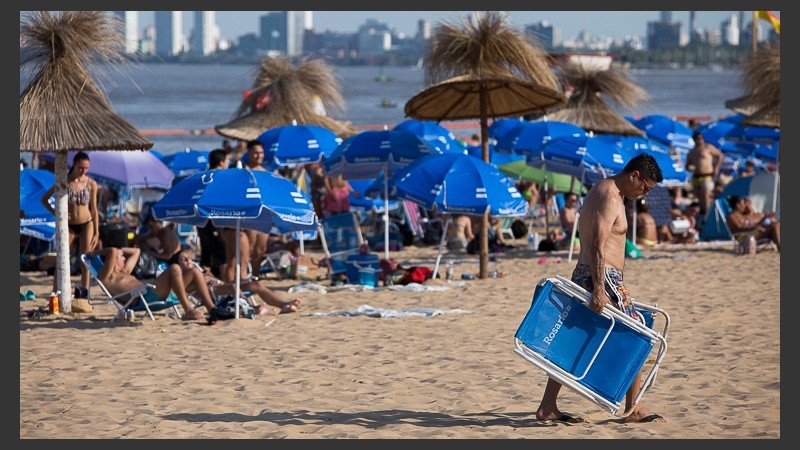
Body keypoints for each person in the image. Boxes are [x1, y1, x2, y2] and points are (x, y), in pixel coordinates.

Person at [535, 153, 666, 424]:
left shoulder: (604, 190)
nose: (643, 194)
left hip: (593, 274)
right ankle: (634, 408)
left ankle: (548, 406)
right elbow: (597, 244)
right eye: (645, 187)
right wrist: (598, 289)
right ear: (635, 175)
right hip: (603, 277)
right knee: (639, 335)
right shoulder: (610, 196)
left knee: (574, 340)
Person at [92, 246, 214, 321]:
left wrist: (120, 249)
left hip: (158, 292)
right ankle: (188, 309)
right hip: (145, 298)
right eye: (121, 256)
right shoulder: (106, 277)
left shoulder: (125, 271)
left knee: (195, 271)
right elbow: (112, 251)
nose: (124, 258)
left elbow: (136, 251)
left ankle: (212, 309)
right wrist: (94, 253)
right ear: (111, 259)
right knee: (174, 268)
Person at [40, 151, 100, 297]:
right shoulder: (65, 181)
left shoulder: (91, 183)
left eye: (86, 168)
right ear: (74, 164)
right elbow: (45, 199)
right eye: (81, 167)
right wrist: (57, 213)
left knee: (85, 260)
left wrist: (97, 232)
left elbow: (94, 209)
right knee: (62, 259)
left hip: (87, 223)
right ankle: (55, 292)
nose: (83, 171)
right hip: (69, 224)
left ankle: (85, 293)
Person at [196, 149, 229, 277]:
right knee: (222, 254)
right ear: (221, 162)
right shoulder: (220, 177)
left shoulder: (204, 176)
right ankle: (225, 286)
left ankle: (206, 282)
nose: (228, 163)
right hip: (213, 218)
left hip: (201, 218)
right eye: (227, 160)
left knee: (207, 253)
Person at [684, 131, 724, 222]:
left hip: (707, 176)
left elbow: (719, 156)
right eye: (698, 138)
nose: (700, 140)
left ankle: (707, 215)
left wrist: (716, 168)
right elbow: (687, 166)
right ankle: (704, 214)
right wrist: (690, 168)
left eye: (701, 138)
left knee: (705, 194)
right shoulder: (691, 152)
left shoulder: (707, 147)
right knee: (700, 197)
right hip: (696, 177)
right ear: (694, 140)